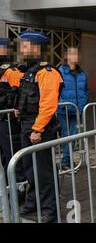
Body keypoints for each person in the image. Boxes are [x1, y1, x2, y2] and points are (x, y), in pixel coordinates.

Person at [15, 30, 64, 223]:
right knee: (30, 170)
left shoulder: (47, 72)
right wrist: (19, 110)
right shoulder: (30, 71)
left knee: (44, 173)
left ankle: (49, 212)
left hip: (39, 128)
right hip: (28, 125)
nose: (21, 49)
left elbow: (49, 104)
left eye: (24, 45)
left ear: (36, 48)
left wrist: (38, 129)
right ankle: (32, 203)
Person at [57, 47, 89, 171]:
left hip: (77, 111)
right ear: (67, 56)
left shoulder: (82, 73)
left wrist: (82, 104)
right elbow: (55, 90)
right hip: (63, 111)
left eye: (76, 53)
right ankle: (66, 162)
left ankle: (67, 161)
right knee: (66, 136)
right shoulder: (60, 71)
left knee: (73, 137)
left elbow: (86, 90)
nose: (75, 56)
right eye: (72, 53)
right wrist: (61, 103)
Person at [0, 38, 26, 185]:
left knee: (13, 158)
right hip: (2, 120)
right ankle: (9, 188)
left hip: (9, 122)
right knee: (5, 158)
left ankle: (20, 189)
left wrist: (16, 111)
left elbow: (21, 94)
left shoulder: (12, 71)